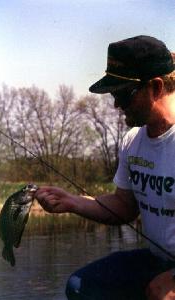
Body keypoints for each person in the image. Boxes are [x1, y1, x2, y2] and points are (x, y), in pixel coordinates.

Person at [35, 35, 175, 300]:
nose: (116, 104)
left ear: (156, 87)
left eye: (124, 94)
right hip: (156, 261)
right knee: (80, 287)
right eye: (114, 95)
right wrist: (72, 202)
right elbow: (125, 206)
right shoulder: (133, 141)